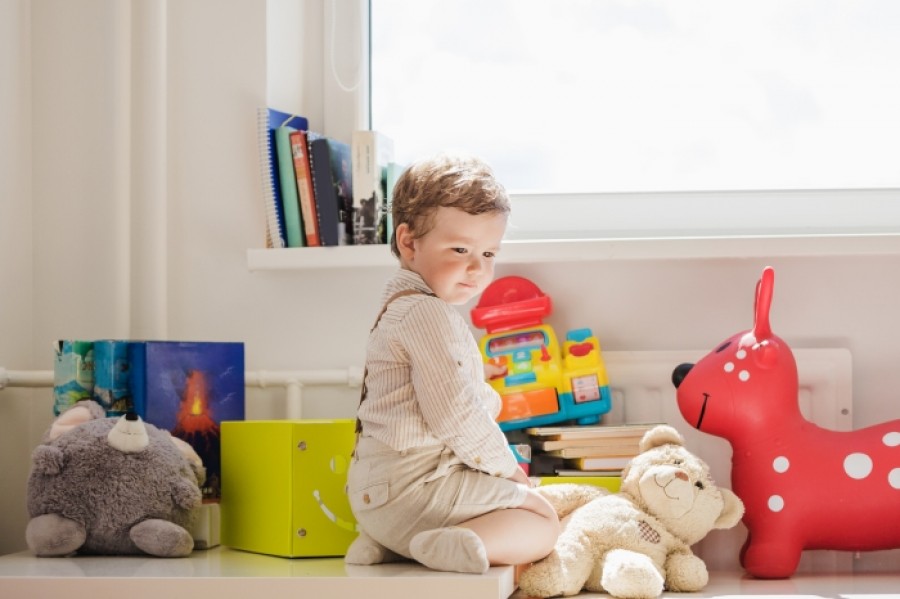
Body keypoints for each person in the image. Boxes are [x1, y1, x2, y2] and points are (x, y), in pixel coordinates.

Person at [345, 153, 560, 574]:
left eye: (489, 253)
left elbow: (437, 397)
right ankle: (452, 543)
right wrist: (509, 473)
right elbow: (456, 416)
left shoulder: (398, 307)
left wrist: (482, 389)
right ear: (409, 242)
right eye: (460, 248)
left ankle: (391, 543)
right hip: (410, 493)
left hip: (373, 501)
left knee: (502, 500)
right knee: (543, 519)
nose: (477, 268)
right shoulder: (429, 314)